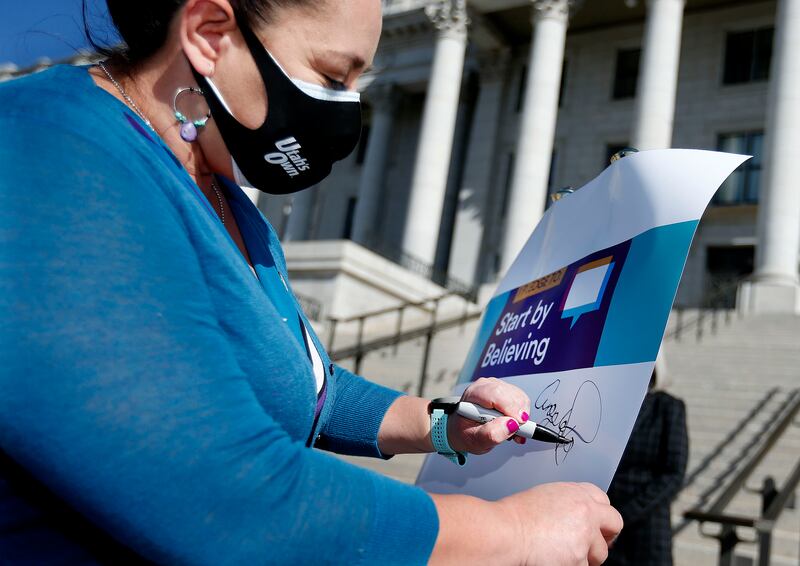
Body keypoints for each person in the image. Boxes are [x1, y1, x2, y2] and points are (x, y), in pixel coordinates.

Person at [0, 0, 623, 563]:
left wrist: (444, 422)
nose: (348, 110)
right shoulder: (52, 147)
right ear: (210, 34)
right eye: (331, 76)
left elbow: (310, 387)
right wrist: (513, 533)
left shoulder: (229, 201)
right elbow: (226, 501)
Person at [606, 369, 689, 565]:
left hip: (648, 526)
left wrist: (624, 515)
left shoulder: (668, 407)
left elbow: (673, 474)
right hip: (608, 527)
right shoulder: (611, 406)